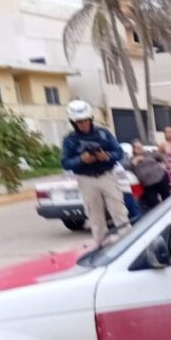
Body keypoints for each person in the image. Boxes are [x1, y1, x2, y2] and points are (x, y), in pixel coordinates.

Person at [60, 100, 129, 247]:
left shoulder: (104, 134)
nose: (83, 124)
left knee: (119, 211)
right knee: (95, 216)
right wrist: (81, 159)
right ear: (73, 123)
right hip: (86, 180)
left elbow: (119, 152)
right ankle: (102, 245)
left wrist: (107, 156)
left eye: (85, 120)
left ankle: (129, 242)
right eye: (79, 122)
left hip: (107, 175)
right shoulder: (69, 140)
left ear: (90, 119)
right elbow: (65, 163)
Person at [126, 139, 171, 210]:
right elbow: (126, 167)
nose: (140, 149)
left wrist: (164, 164)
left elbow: (161, 156)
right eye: (138, 148)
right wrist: (134, 162)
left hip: (160, 178)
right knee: (154, 206)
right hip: (148, 185)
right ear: (134, 150)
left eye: (141, 147)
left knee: (168, 199)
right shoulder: (132, 159)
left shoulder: (148, 153)